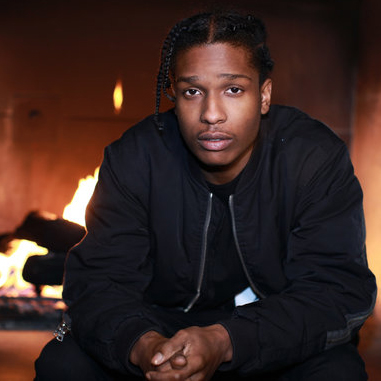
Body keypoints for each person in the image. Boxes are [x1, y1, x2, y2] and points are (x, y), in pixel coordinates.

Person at [35, 10, 377, 381]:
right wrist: (143, 345)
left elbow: (335, 291)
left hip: (270, 333)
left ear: (263, 95)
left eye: (233, 89)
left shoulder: (312, 157)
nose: (211, 114)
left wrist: (225, 340)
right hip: (159, 329)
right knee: (63, 365)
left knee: (337, 372)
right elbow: (100, 283)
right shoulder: (135, 157)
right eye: (192, 92)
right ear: (175, 97)